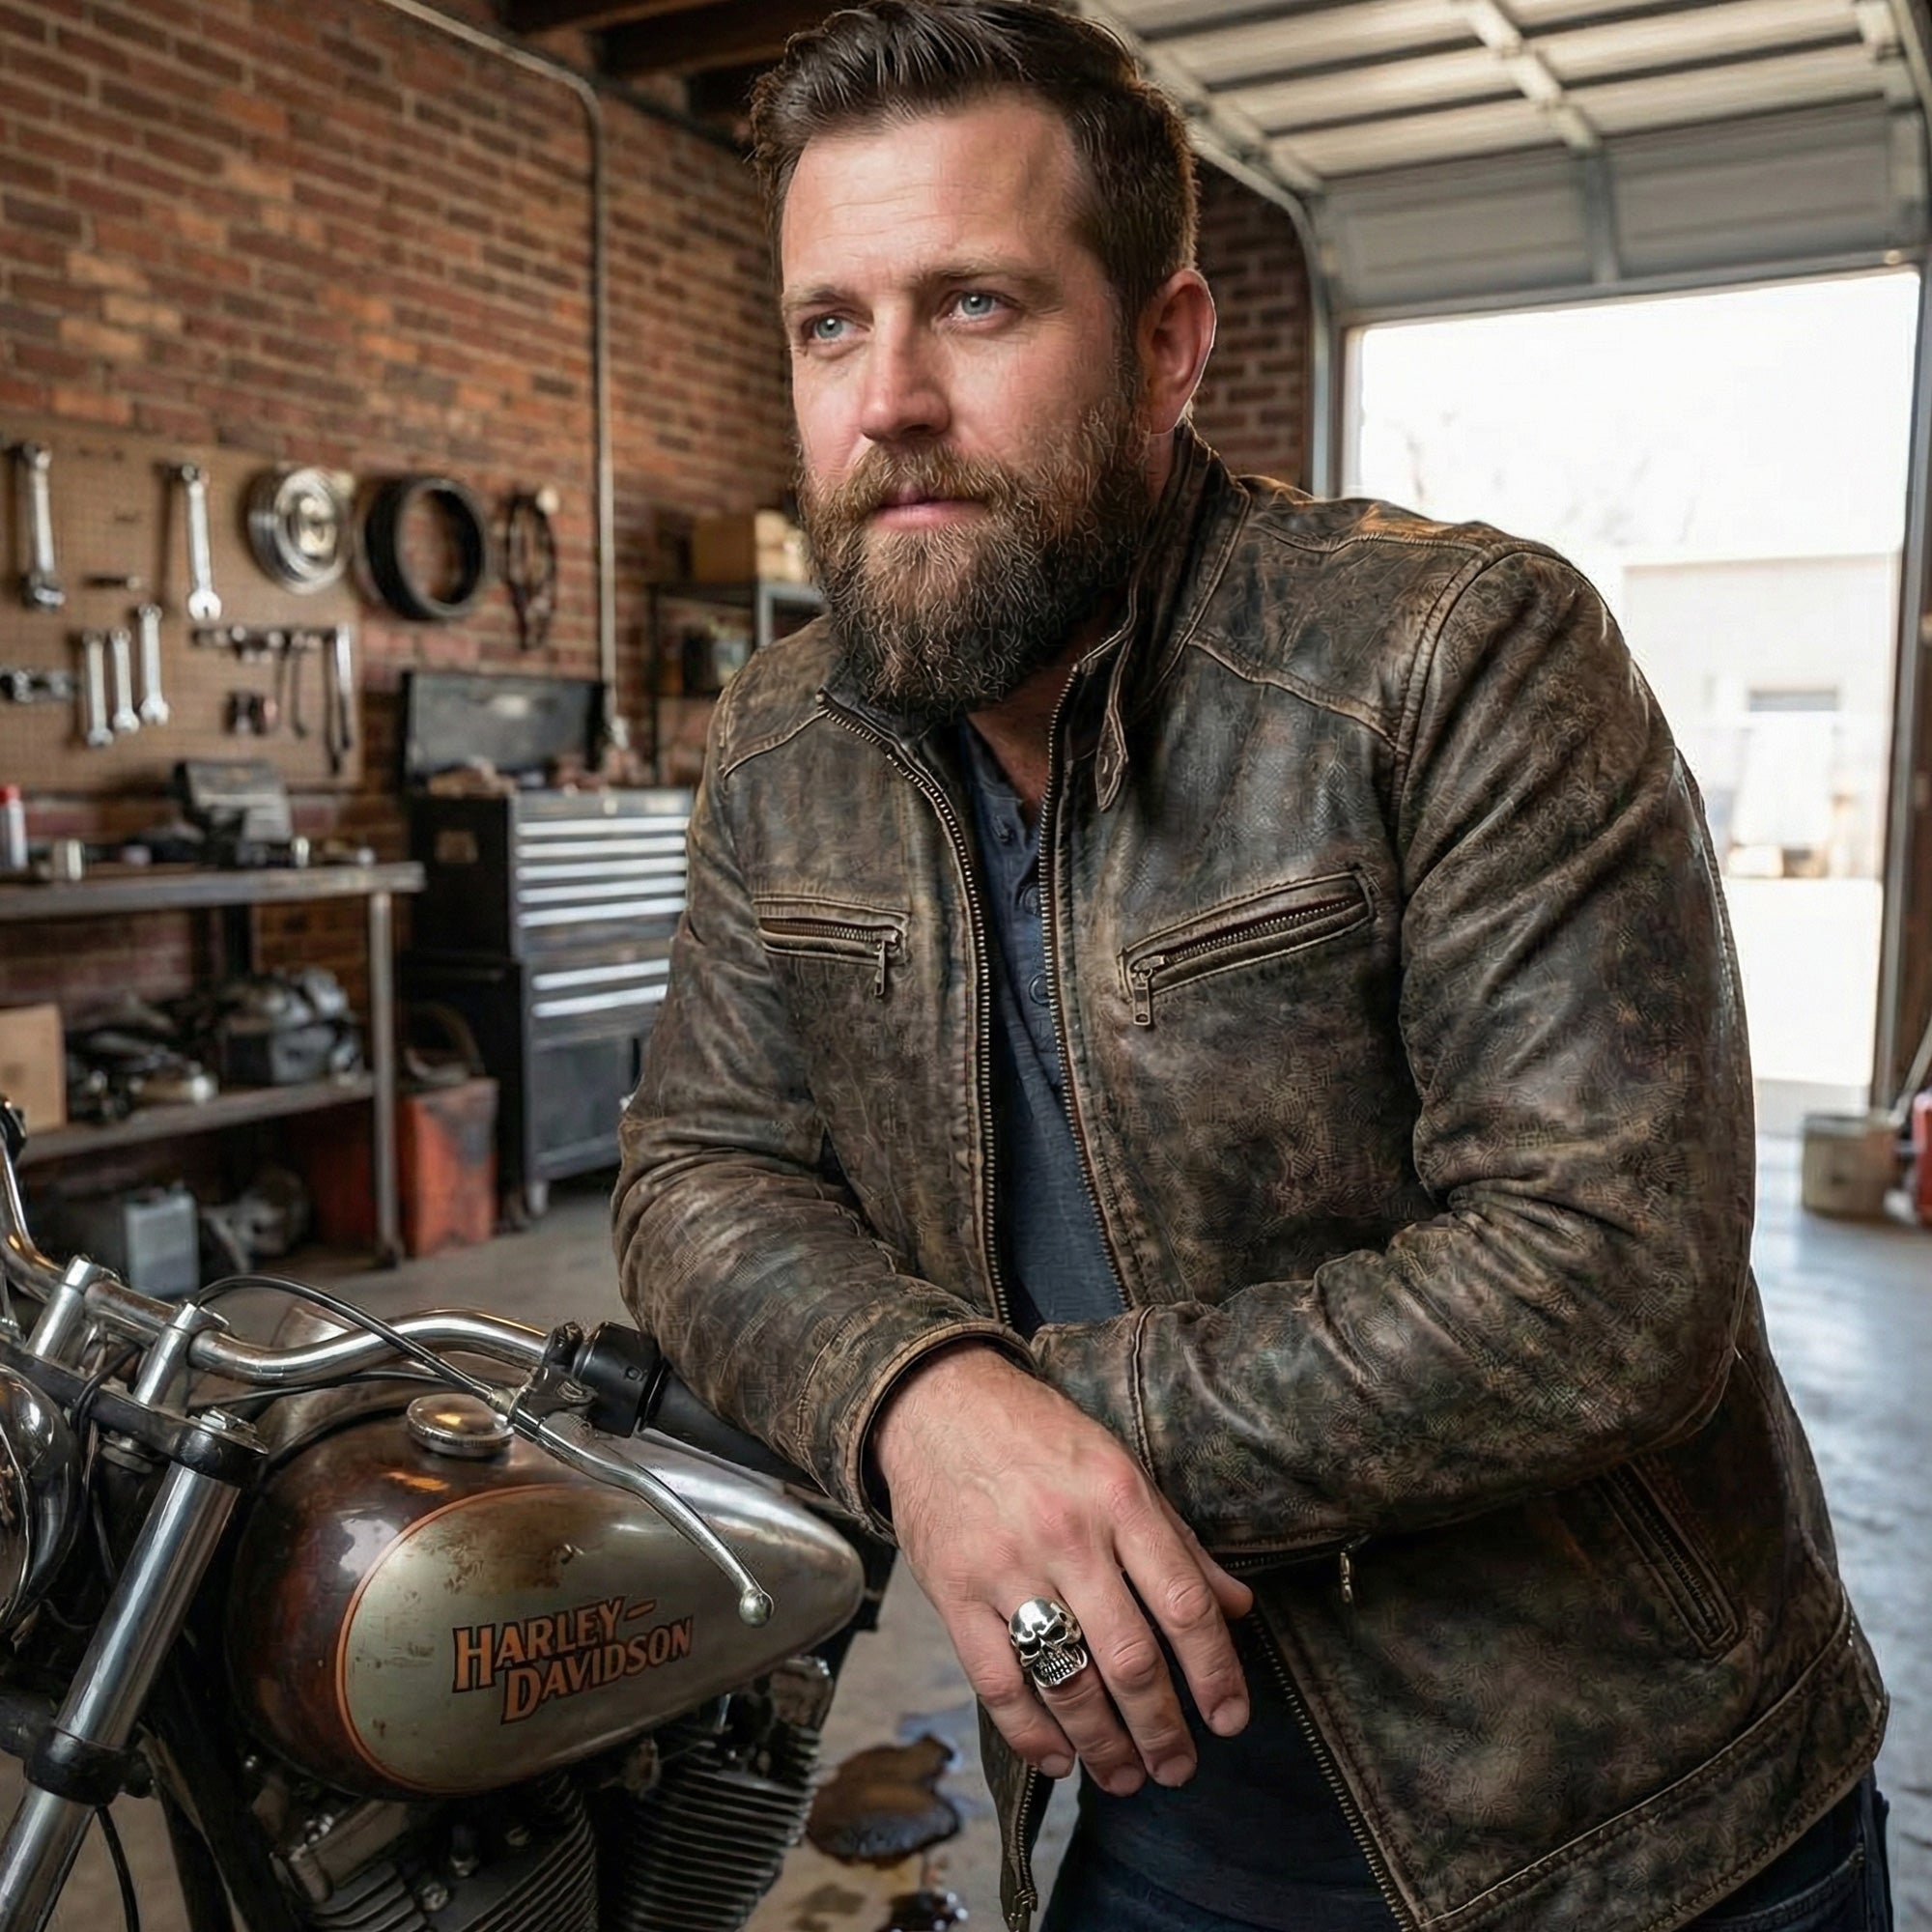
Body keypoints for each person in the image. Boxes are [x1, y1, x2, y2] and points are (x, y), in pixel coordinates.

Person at [612, 5, 1891, 1928]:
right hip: (1132, 1809)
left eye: (972, 304)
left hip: (1632, 1840)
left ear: (1168, 347)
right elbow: (698, 1165)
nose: (882, 398)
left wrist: (1034, 1430)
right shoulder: (791, 741)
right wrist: (918, 1409)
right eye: (828, 323)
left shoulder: (1456, 655)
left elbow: (1609, 1274)